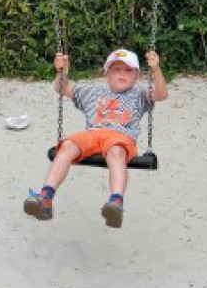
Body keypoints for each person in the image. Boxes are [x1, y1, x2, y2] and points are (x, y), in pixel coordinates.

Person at [24, 48, 169, 228]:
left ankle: (116, 203)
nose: (122, 74)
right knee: (67, 145)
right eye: (116, 69)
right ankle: (45, 198)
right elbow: (62, 88)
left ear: (138, 76)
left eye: (128, 70)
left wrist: (155, 69)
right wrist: (62, 72)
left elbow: (161, 94)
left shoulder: (139, 93)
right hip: (92, 135)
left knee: (116, 152)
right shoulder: (93, 91)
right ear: (106, 73)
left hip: (121, 137)